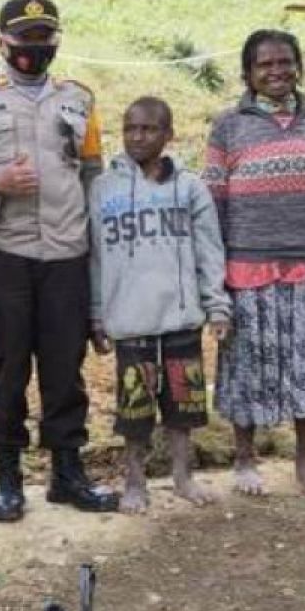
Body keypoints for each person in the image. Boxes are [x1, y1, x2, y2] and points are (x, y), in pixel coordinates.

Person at [0, 0, 118, 522]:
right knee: (7, 364)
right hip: (4, 252)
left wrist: (96, 253)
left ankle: (68, 473)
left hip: (66, 250)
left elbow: (91, 175)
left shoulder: (79, 99)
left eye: (45, 40)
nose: (35, 49)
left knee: (66, 366)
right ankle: (7, 477)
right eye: (25, 40)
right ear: (1, 42)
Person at [203, 29, 305, 496]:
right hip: (247, 264)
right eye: (265, 65)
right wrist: (211, 273)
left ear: (299, 66)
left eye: (285, 62)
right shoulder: (228, 126)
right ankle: (245, 461)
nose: (276, 71)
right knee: (246, 361)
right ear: (248, 74)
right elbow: (211, 203)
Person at [89, 96, 230, 514]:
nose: (138, 136)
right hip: (131, 321)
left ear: (169, 135)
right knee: (134, 409)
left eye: (149, 129)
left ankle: (183, 477)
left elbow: (209, 250)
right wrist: (97, 313)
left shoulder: (190, 187)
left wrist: (217, 305)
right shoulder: (102, 188)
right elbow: (95, 257)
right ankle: (134, 481)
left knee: (182, 407)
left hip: (180, 319)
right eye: (130, 127)